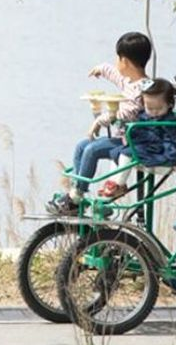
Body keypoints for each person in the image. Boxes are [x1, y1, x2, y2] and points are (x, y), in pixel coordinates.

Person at [46, 32, 152, 215]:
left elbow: (128, 112)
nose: (116, 63)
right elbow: (116, 76)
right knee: (82, 146)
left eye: (117, 58)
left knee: (92, 150)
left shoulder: (142, 88)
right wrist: (102, 69)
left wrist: (100, 120)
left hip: (132, 142)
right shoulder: (131, 81)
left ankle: (76, 197)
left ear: (124, 61)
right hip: (122, 138)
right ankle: (76, 192)